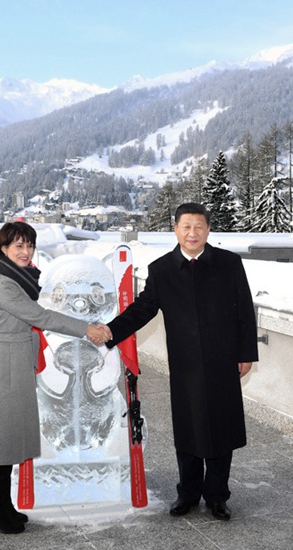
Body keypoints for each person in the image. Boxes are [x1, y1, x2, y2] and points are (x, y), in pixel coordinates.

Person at [106, 202, 258, 521]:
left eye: (199, 226)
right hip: (185, 365)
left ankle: (217, 495)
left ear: (208, 230)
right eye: (186, 226)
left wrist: (246, 354)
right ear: (175, 229)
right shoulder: (162, 270)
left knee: (221, 428)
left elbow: (245, 311)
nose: (192, 232)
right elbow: (142, 309)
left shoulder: (229, 264)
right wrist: (110, 331)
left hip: (223, 361)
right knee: (187, 429)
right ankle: (187, 493)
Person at [0, 221, 111, 534]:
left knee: (5, 438)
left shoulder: (13, 278)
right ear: (3, 248)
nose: (26, 251)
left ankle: (4, 506)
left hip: (11, 362)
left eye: (29, 245)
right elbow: (40, 316)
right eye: (18, 245)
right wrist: (87, 329)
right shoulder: (3, 284)